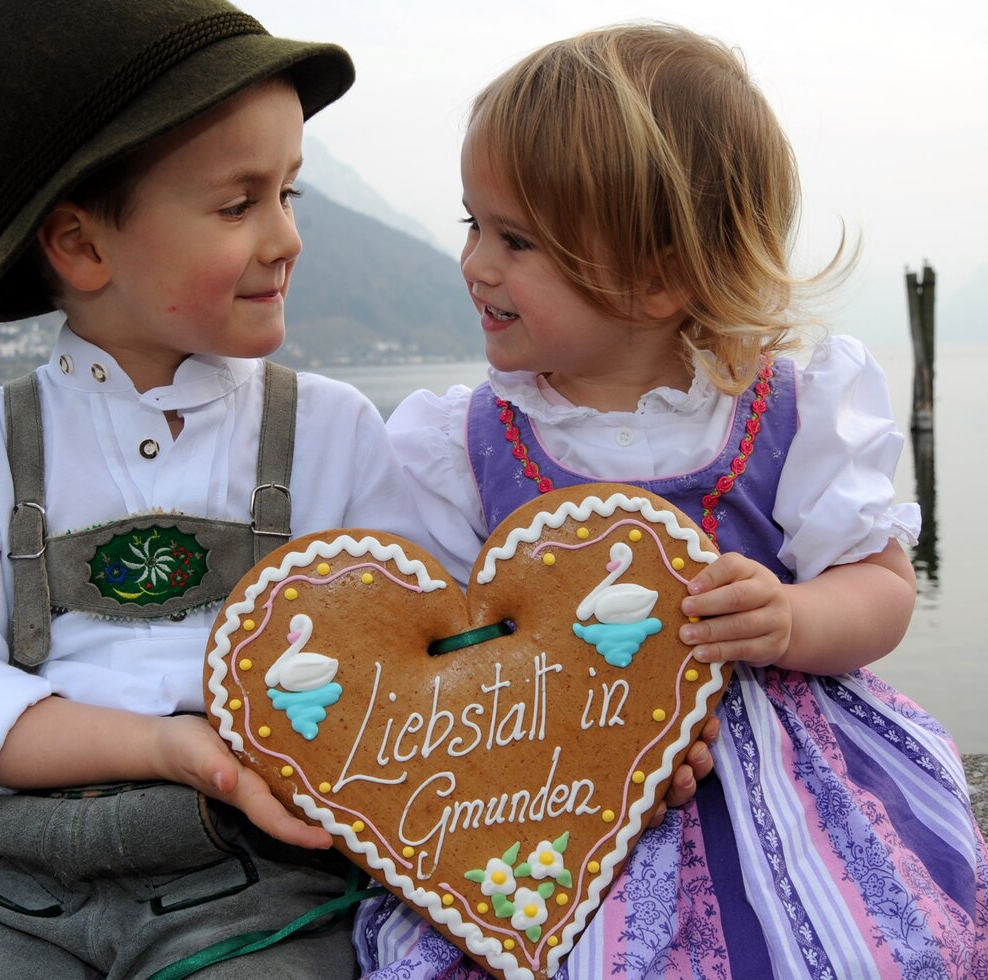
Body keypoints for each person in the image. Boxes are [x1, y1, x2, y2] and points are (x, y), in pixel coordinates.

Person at [356, 23, 988, 979]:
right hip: (554, 778)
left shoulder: (786, 407)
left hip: (775, 756)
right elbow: (436, 648)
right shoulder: (463, 441)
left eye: (515, 240)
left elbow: (882, 587)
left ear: (656, 279)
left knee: (851, 940)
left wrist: (791, 616)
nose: (475, 264)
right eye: (471, 224)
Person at [0, 1, 416, 975]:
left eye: (291, 191)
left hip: (262, 879)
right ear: (81, 246)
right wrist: (167, 747)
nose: (285, 236)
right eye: (239, 204)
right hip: (9, 893)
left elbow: (415, 649)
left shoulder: (331, 435)